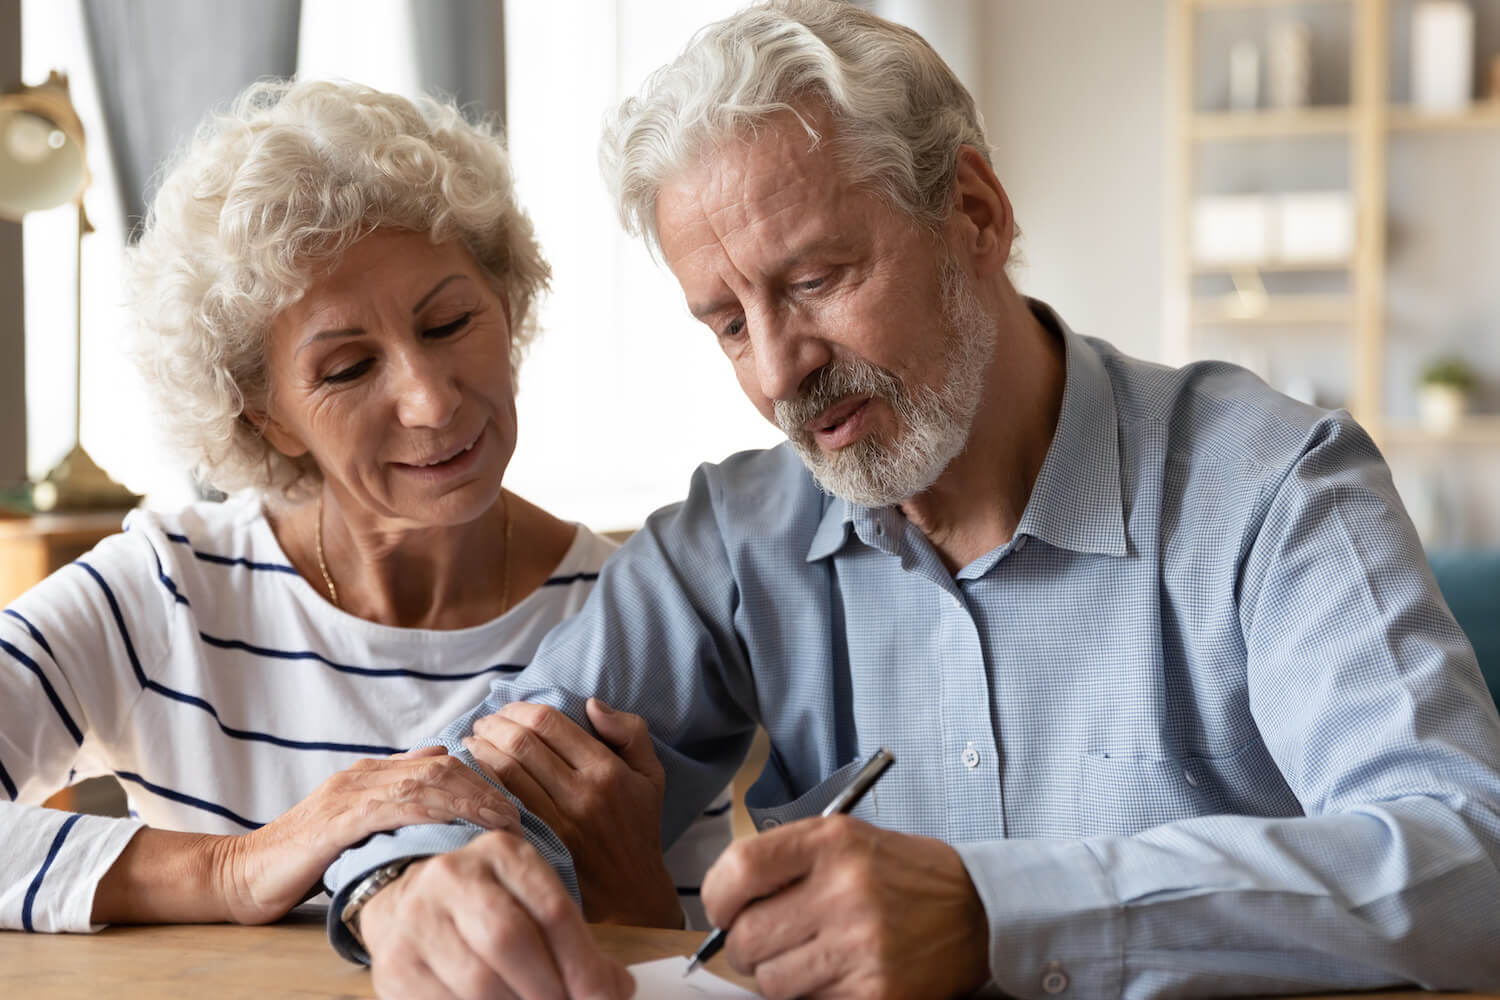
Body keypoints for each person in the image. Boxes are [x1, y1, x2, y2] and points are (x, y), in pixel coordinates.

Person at [326, 2, 1500, 997]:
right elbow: (457, 775)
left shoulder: (1273, 487)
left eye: (818, 280)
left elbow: (1471, 863)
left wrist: (1001, 912)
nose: (780, 368)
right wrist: (404, 886)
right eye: (729, 322)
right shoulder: (741, 537)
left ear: (976, 217)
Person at [0, 79, 727, 944]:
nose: (429, 401)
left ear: (508, 299)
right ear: (264, 414)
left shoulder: (637, 617)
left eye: (451, 322)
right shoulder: (166, 591)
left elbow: (698, 968)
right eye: (346, 369)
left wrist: (626, 891)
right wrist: (239, 866)